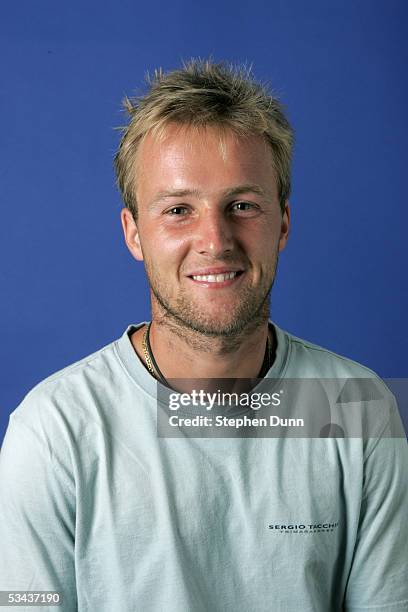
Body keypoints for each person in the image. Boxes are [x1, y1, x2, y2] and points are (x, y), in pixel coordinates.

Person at [0, 59, 407, 612]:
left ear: (282, 223)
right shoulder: (55, 433)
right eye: (178, 210)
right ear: (134, 233)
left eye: (242, 206)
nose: (214, 240)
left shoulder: (356, 409)